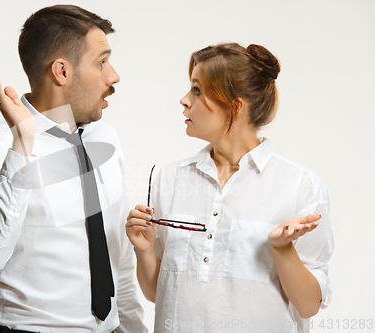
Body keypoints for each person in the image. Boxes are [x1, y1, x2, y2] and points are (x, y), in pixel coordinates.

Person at [0, 5, 147, 333]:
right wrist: (23, 143)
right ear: (61, 71)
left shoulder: (106, 137)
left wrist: (133, 328)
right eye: (101, 62)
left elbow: (115, 255)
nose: (113, 75)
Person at [126, 43, 333, 333]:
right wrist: (144, 251)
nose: (184, 100)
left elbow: (309, 305)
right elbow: (156, 294)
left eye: (197, 90)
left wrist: (282, 250)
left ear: (234, 107)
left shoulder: (299, 185)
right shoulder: (169, 178)